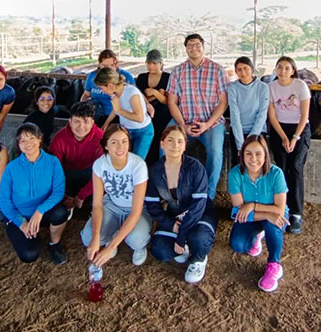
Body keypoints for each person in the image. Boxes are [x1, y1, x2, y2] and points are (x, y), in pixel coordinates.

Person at [145, 126, 217, 283]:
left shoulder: (195, 168)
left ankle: (198, 259)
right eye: (170, 140)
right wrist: (171, 225)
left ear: (185, 145)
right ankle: (183, 248)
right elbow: (152, 205)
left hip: (201, 212)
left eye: (179, 141)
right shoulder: (155, 170)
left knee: (199, 240)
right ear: (162, 143)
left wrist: (181, 235)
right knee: (159, 250)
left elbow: (198, 205)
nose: (175, 145)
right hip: (175, 214)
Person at [81, 125, 152, 278]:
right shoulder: (100, 165)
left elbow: (136, 211)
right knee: (87, 238)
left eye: (124, 141)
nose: (120, 147)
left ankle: (136, 244)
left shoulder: (138, 165)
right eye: (114, 142)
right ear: (106, 145)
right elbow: (98, 204)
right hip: (112, 205)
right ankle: (113, 232)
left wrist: (111, 247)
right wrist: (95, 238)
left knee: (135, 240)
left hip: (135, 209)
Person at [166, 34, 229, 199]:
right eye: (190, 45)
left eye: (197, 44)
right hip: (183, 120)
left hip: (211, 123)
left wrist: (207, 124)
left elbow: (223, 102)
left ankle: (207, 196)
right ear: (185, 48)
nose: (194, 48)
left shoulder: (217, 70)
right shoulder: (178, 71)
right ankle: (170, 192)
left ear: (203, 46)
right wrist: (182, 126)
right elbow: (172, 101)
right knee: (164, 147)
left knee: (215, 154)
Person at [0, 123, 70, 264]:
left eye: (31, 138)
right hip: (20, 215)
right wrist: (21, 222)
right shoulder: (11, 168)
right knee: (29, 255)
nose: (28, 144)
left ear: (39, 139)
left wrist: (40, 210)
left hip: (43, 212)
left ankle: (54, 244)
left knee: (60, 213)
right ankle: (29, 233)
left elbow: (58, 191)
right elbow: (5, 201)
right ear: (18, 144)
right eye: (23, 141)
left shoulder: (52, 162)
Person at [228, 135, 289, 293]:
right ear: (241, 154)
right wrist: (266, 214)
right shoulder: (235, 174)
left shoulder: (276, 174)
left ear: (265, 154)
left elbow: (279, 210)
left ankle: (274, 265)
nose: (253, 159)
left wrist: (253, 205)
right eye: (248, 153)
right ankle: (257, 236)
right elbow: (238, 211)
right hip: (256, 216)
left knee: (273, 223)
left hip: (271, 216)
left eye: (258, 153)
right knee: (238, 245)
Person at [266, 56, 311, 235]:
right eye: (279, 67)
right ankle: (281, 207)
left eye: (286, 68)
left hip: (299, 129)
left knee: (296, 167)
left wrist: (294, 137)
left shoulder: (300, 86)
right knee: (281, 168)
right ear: (276, 70)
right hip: (279, 130)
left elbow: (305, 115)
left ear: (293, 70)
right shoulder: (271, 87)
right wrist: (284, 137)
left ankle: (296, 213)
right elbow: (272, 116)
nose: (283, 71)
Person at [49, 101, 104, 214]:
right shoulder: (59, 138)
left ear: (93, 122)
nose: (81, 127)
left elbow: (103, 171)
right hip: (66, 172)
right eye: (77, 121)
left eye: (86, 122)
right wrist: (63, 197)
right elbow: (52, 171)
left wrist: (81, 196)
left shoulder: (100, 138)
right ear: (70, 122)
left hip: (90, 171)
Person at [94, 67, 154, 160]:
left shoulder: (132, 93)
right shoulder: (114, 93)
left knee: (137, 161)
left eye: (102, 88)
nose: (102, 91)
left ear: (110, 85)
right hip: (126, 130)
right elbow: (115, 110)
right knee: (124, 159)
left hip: (143, 131)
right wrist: (106, 123)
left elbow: (139, 118)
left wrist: (119, 110)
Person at [227, 56, 269, 165]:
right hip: (238, 131)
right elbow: (234, 115)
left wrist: (252, 138)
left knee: (257, 164)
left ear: (252, 69)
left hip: (258, 131)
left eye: (246, 68)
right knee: (238, 164)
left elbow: (262, 114)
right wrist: (241, 144)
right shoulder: (232, 87)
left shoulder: (263, 87)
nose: (243, 72)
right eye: (239, 70)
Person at [81, 50, 135, 126]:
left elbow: (133, 95)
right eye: (105, 66)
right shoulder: (92, 76)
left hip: (118, 116)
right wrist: (81, 108)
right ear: (99, 64)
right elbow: (86, 94)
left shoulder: (126, 76)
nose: (109, 68)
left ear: (116, 64)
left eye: (112, 65)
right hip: (96, 113)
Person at [136, 49, 171, 165]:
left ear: (161, 64)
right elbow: (140, 98)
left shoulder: (168, 78)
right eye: (149, 63)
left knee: (160, 138)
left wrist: (154, 93)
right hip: (145, 114)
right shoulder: (141, 77)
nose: (151, 66)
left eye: (154, 63)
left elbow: (167, 101)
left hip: (163, 114)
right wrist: (158, 94)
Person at [24, 86, 55, 150]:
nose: (46, 102)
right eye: (42, 99)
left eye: (49, 99)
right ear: (36, 102)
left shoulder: (52, 113)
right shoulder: (32, 119)